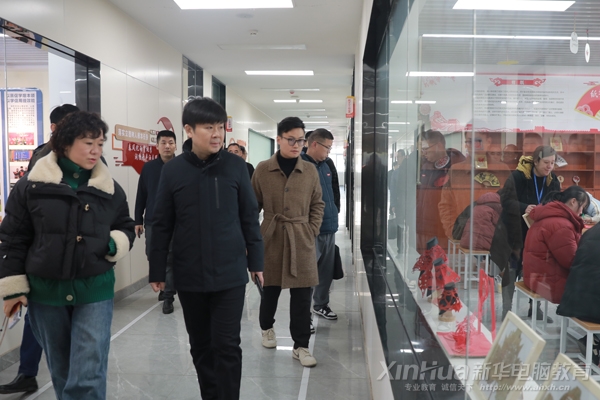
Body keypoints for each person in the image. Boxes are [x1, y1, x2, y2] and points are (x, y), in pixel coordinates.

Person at [0, 111, 135, 400]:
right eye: (88, 143)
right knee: (61, 372)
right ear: (64, 143)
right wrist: (13, 289)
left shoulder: (109, 189)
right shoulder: (31, 187)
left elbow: (125, 225)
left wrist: (114, 244)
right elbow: (12, 239)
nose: (96, 150)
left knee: (87, 373)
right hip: (46, 291)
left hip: (94, 289)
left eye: (100, 144)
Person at [149, 97, 263, 400]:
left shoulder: (236, 167)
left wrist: (257, 262)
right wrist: (157, 269)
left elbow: (249, 216)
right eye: (208, 127)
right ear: (189, 130)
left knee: (227, 345)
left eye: (220, 128)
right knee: (200, 345)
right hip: (190, 273)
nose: (217, 134)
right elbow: (161, 223)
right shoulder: (173, 171)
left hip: (230, 272)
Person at [0, 103, 82, 396]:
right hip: (42, 254)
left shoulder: (89, 156)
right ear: (55, 128)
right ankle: (28, 372)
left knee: (76, 332)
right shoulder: (40, 155)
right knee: (37, 318)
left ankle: (70, 379)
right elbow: (21, 217)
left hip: (76, 259)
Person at [252, 116, 324, 368]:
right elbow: (251, 207)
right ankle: (266, 328)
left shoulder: (310, 170)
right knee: (269, 290)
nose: (296, 145)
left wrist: (311, 230)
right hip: (270, 237)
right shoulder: (263, 169)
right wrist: (253, 239)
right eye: (291, 140)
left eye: (301, 140)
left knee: (303, 295)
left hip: (301, 238)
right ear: (279, 139)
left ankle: (301, 345)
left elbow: (318, 204)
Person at [501, 145, 561, 322]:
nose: (550, 167)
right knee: (512, 269)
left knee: (538, 270)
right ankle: (506, 309)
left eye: (553, 163)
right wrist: (524, 207)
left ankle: (535, 308)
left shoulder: (553, 180)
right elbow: (505, 200)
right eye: (546, 162)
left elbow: (556, 203)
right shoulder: (518, 177)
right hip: (516, 232)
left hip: (539, 233)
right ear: (536, 161)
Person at [134, 130, 177, 314]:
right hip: (153, 220)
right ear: (157, 145)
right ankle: (162, 284)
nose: (167, 146)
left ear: (175, 145)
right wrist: (138, 219)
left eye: (171, 142)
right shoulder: (149, 168)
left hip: (176, 222)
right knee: (152, 254)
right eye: (163, 142)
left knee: (170, 258)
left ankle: (168, 296)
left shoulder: (181, 167)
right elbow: (141, 195)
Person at [522, 186, 587, 304]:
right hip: (547, 282)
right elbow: (571, 261)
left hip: (534, 276)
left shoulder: (548, 214)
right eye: (582, 206)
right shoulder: (561, 225)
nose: (581, 212)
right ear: (573, 201)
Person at [301, 128, 338, 320]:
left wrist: (335, 211)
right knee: (307, 274)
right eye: (327, 147)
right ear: (314, 144)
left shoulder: (327, 164)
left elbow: (334, 191)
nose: (329, 151)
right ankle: (303, 315)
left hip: (329, 227)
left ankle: (321, 305)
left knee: (326, 271)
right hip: (310, 230)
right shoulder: (300, 165)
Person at [416, 129, 465, 252]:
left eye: (425, 149)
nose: (423, 153)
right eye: (421, 149)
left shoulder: (458, 168)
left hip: (447, 231)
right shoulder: (424, 167)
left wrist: (452, 229)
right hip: (425, 227)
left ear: (438, 146)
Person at [27, 104, 80, 170]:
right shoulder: (41, 155)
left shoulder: (84, 151)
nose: (76, 130)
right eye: (70, 126)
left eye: (79, 125)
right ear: (54, 127)